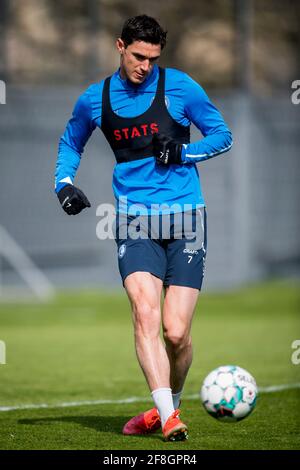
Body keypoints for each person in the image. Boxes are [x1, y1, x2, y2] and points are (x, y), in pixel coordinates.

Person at [55, 14, 233, 441]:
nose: (144, 66)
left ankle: (171, 402)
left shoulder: (181, 87)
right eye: (138, 56)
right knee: (144, 313)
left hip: (187, 217)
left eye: (153, 59)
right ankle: (169, 417)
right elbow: (70, 142)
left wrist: (184, 152)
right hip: (133, 218)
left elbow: (222, 135)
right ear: (120, 47)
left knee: (176, 332)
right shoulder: (94, 99)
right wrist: (63, 183)